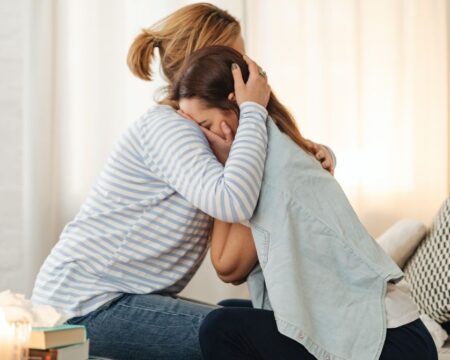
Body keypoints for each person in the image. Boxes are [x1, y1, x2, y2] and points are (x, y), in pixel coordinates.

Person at [30, 3, 336, 359]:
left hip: (111, 299)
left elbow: (259, 176)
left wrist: (317, 152)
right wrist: (253, 110)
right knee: (243, 338)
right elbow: (234, 200)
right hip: (84, 305)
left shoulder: (200, 133)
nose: (246, 74)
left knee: (245, 324)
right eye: (237, 60)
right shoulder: (168, 128)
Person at [168, 45, 439, 360]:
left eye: (204, 125)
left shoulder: (271, 164)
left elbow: (228, 266)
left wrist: (225, 169)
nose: (201, 140)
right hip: (383, 335)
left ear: (235, 106)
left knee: (220, 326)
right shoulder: (269, 149)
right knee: (227, 311)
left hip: (391, 343)